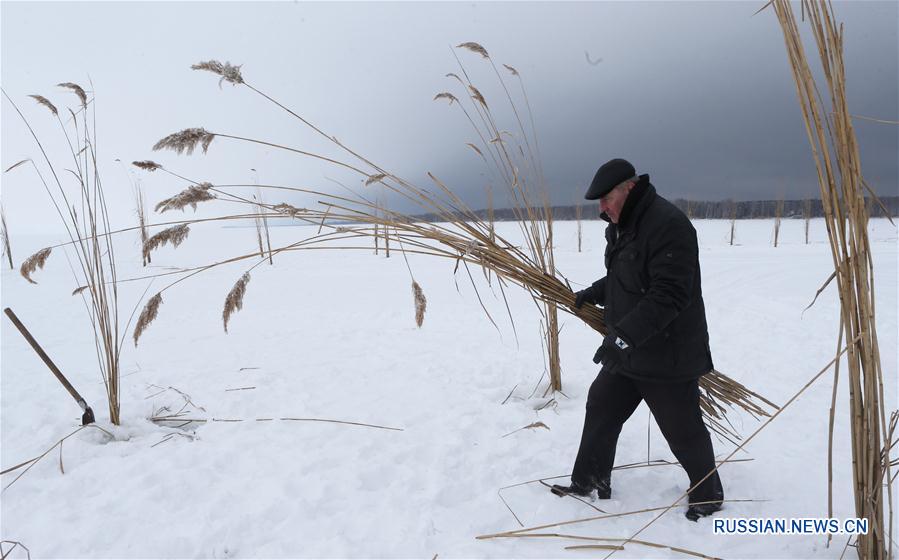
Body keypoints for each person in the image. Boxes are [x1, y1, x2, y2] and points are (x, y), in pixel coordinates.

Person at [551, 158, 724, 521]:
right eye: (598, 202)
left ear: (628, 189)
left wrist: (622, 339)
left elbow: (669, 295)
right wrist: (596, 291)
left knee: (682, 428)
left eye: (605, 200)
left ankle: (707, 493)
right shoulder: (622, 224)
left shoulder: (668, 226)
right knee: (601, 405)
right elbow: (627, 276)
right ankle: (590, 480)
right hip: (630, 350)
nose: (601, 208)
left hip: (667, 352)